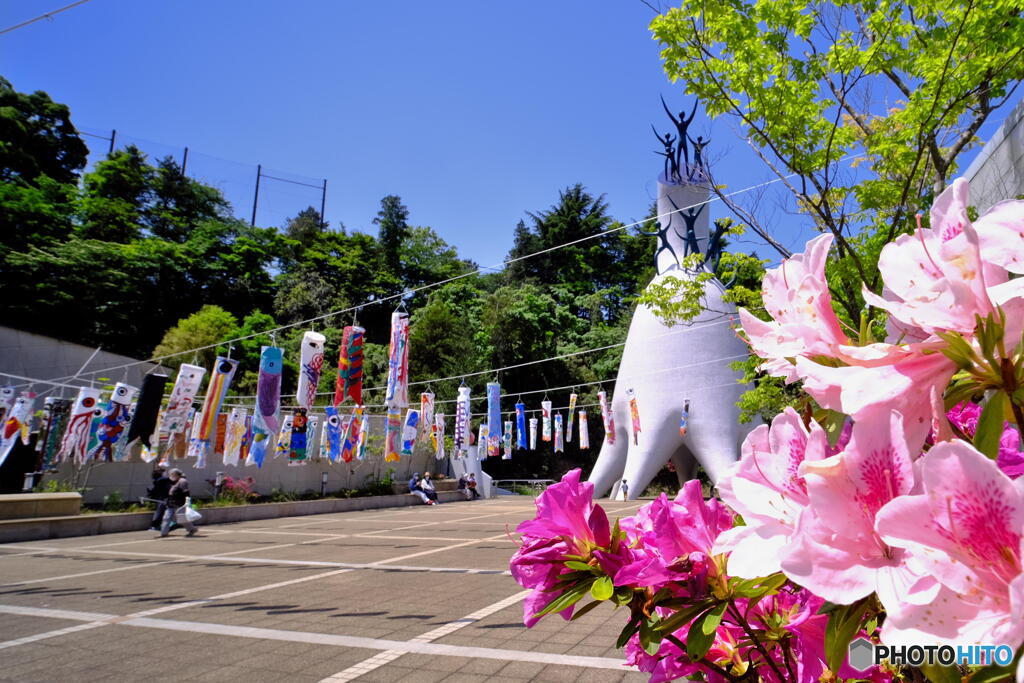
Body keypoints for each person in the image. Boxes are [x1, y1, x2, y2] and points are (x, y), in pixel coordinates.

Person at [160, 468, 197, 537]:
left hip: (179, 503)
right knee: (166, 518)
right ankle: (164, 533)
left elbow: (186, 492)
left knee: (182, 519)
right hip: (171, 503)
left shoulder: (182, 481)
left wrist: (187, 502)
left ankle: (192, 529)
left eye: (172, 474)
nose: (171, 476)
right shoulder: (173, 481)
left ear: (177, 474)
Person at [147, 465, 171, 531]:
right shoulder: (163, 479)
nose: (165, 473)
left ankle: (155, 526)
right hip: (164, 498)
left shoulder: (156, 480)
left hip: (160, 497)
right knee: (160, 512)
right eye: (164, 472)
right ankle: (155, 526)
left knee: (159, 511)